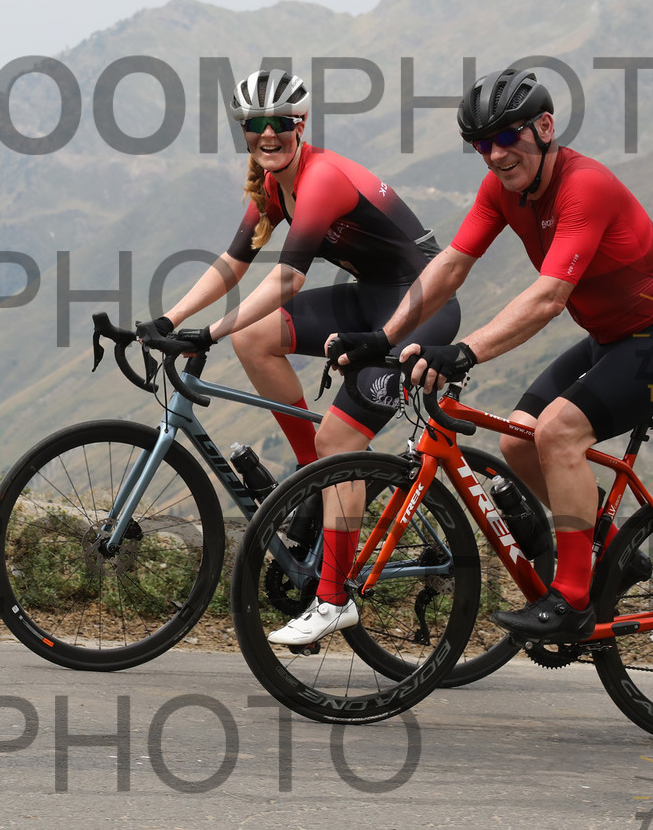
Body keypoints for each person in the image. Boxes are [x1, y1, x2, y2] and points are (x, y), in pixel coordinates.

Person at [329, 68, 653, 642]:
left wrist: (466, 351)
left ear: (545, 128)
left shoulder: (586, 186)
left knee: (558, 433)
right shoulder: (502, 190)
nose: (495, 155)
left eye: (507, 137)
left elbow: (549, 297)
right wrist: (384, 337)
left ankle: (573, 599)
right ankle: (618, 555)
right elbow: (451, 266)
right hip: (613, 336)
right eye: (481, 144)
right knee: (518, 439)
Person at [139, 68, 461, 644]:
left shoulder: (321, 179)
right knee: (254, 338)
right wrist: (170, 319)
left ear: (301, 124)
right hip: (371, 298)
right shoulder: (271, 185)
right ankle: (315, 476)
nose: (268, 134)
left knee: (342, 442)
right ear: (244, 130)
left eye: (280, 123)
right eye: (255, 124)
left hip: (422, 308)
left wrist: (208, 333)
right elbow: (233, 263)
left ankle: (334, 599)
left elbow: (288, 279)